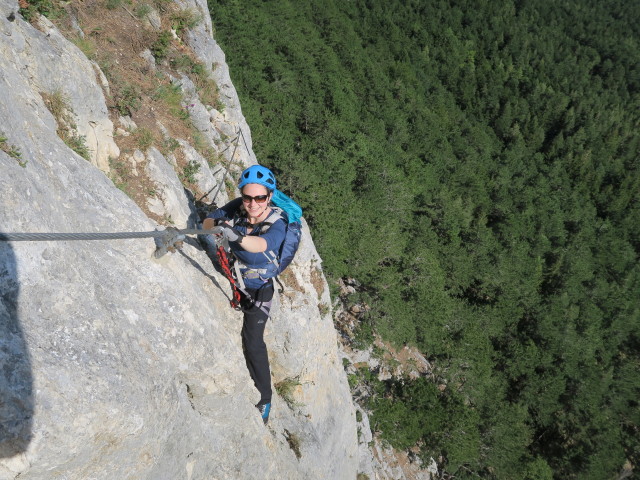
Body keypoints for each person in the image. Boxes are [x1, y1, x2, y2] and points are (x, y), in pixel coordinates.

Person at [201, 165, 285, 425]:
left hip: (259, 289)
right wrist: (218, 224)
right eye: (248, 197)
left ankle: (266, 397)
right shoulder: (238, 207)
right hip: (234, 278)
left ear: (269, 197)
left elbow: (262, 245)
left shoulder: (278, 223)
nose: (252, 204)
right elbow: (205, 224)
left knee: (253, 341)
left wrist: (236, 236)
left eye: (259, 198)